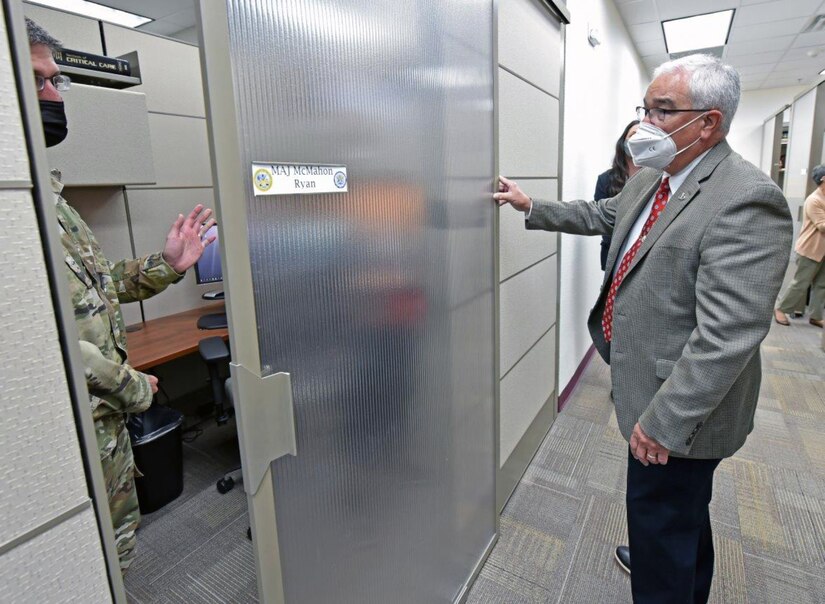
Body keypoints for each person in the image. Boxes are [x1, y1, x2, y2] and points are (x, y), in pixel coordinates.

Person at [495, 54, 792, 603]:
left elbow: (728, 335)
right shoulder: (657, 177)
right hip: (644, 380)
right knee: (677, 519)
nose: (647, 125)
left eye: (663, 110)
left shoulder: (746, 199)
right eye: (646, 108)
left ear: (709, 123)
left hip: (678, 407)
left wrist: (664, 422)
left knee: (660, 528)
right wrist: (531, 205)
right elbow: (605, 216)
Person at [27, 17, 217, 571]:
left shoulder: (51, 202)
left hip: (100, 426)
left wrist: (169, 265)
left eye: (55, 82)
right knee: (84, 561)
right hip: (67, 426)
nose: (53, 94)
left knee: (113, 554)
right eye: (38, 80)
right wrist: (134, 385)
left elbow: (98, 287)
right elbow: (47, 338)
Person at [774, 164, 825, 328]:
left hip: (822, 251)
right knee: (801, 283)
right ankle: (781, 309)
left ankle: (816, 315)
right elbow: (822, 225)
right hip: (811, 250)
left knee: (821, 285)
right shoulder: (814, 200)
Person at [594, 120, 640, 270]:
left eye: (642, 136)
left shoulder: (658, 177)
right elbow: (600, 217)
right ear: (623, 142)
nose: (637, 140)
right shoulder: (605, 180)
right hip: (613, 255)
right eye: (633, 135)